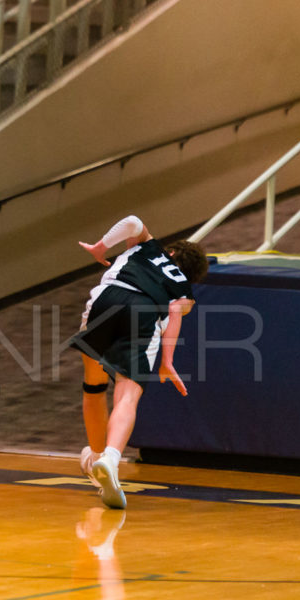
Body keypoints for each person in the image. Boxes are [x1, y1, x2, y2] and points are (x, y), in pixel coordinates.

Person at [69, 215, 208, 509]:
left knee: (93, 386)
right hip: (144, 312)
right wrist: (167, 361)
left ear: (171, 253)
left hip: (105, 301)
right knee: (127, 394)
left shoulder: (149, 246)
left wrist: (100, 247)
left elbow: (132, 220)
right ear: (192, 274)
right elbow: (173, 312)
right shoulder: (185, 289)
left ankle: (95, 460)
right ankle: (110, 458)